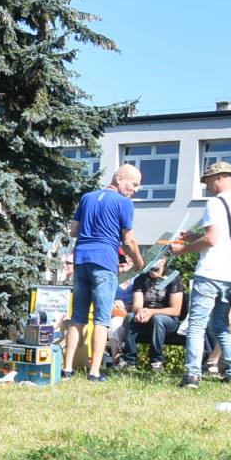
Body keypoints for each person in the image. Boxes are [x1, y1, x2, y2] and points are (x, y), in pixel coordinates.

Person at [169, 160, 231, 388]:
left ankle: (192, 375)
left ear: (219, 178)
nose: (207, 186)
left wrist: (182, 250)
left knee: (196, 325)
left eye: (207, 181)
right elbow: (224, 239)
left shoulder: (215, 203)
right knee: (220, 326)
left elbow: (212, 240)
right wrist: (194, 236)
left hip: (210, 272)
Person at [65, 163, 146, 382]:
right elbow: (129, 241)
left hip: (81, 260)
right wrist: (139, 263)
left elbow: (74, 230)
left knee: (77, 318)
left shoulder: (87, 197)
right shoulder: (124, 203)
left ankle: (67, 369)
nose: (136, 190)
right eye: (134, 184)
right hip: (104, 263)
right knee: (102, 319)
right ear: (119, 178)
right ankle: (94, 372)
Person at [121, 254, 184, 372]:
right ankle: (129, 360)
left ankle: (156, 361)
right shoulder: (141, 278)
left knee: (158, 318)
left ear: (163, 261)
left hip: (168, 320)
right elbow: (137, 304)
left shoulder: (173, 277)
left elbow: (175, 310)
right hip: (145, 317)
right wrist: (139, 311)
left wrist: (152, 312)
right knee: (130, 317)